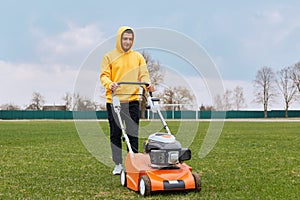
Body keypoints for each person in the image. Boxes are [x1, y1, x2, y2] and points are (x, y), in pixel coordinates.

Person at [100, 26, 154, 175]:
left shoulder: (137, 57)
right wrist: (110, 84)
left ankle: (134, 162)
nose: (128, 42)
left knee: (133, 133)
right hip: (115, 101)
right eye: (125, 39)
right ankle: (117, 164)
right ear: (119, 39)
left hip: (132, 100)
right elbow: (104, 75)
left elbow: (143, 74)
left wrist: (147, 83)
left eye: (130, 39)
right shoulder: (109, 57)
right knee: (115, 133)